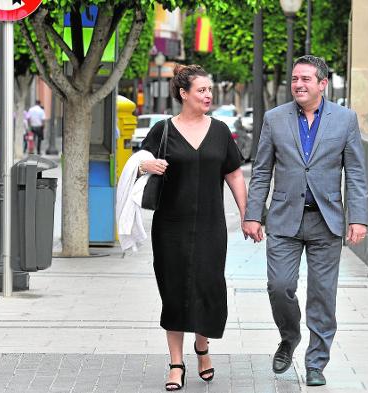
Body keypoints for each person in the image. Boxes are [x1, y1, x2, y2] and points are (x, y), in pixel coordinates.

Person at [242, 55, 368, 387]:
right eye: (295, 79)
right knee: (280, 286)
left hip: (326, 221)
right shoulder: (274, 119)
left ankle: (316, 362)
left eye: (305, 79)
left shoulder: (345, 120)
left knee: (322, 295)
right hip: (284, 220)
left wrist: (358, 218)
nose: (298, 84)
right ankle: (290, 337)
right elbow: (261, 170)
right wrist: (253, 214)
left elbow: (355, 173)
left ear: (322, 83)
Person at [138, 64, 247, 391]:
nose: (208, 95)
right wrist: (146, 164)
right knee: (173, 291)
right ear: (183, 94)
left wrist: (247, 214)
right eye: (201, 90)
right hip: (170, 226)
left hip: (211, 227)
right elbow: (138, 162)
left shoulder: (220, 131)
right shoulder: (163, 130)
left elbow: (234, 174)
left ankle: (202, 347)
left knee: (206, 288)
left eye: (209, 90)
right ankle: (176, 363)